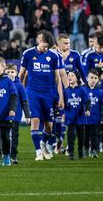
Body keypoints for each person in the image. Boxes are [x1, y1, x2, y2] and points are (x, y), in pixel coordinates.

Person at [18, 30, 64, 161]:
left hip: (48, 94)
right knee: (35, 121)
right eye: (45, 45)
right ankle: (38, 151)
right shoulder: (28, 54)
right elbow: (21, 75)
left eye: (48, 47)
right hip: (32, 93)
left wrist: (60, 97)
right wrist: (18, 92)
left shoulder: (53, 56)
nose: (46, 48)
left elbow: (58, 78)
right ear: (40, 40)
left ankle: (43, 143)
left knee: (49, 126)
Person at [6, 63, 30, 164]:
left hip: (16, 115)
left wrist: (27, 115)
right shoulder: (2, 84)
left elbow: (24, 100)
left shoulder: (19, 86)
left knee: (14, 135)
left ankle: (13, 155)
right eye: (8, 72)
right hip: (3, 116)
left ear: (16, 73)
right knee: (5, 135)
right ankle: (5, 154)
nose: (10, 74)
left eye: (12, 72)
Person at [63, 71, 89, 160]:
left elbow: (87, 101)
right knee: (70, 136)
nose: (69, 77)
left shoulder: (82, 89)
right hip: (70, 117)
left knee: (81, 136)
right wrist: (62, 113)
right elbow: (64, 104)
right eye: (68, 75)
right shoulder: (66, 90)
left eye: (72, 75)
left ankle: (81, 152)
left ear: (77, 78)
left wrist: (87, 109)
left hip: (80, 117)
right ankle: (70, 153)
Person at [83, 69, 103, 158]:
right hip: (84, 119)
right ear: (87, 78)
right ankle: (85, 149)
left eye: (95, 78)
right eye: (91, 77)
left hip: (96, 118)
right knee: (85, 135)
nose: (93, 80)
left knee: (95, 135)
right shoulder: (82, 90)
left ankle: (94, 150)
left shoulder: (100, 92)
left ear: (98, 80)